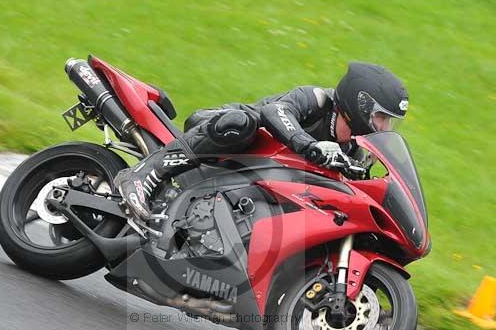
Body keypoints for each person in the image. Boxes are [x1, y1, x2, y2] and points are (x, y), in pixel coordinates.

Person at [114, 61, 409, 223]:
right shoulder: (318, 99)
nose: (384, 126)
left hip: (247, 182)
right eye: (381, 117)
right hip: (220, 130)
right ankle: (142, 176)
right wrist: (309, 146)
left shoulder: (354, 151)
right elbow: (275, 111)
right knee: (243, 124)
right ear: (360, 104)